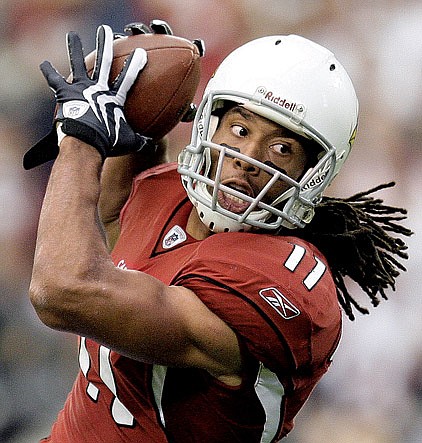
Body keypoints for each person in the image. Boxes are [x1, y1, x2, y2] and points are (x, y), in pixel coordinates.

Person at [24, 20, 411, 442]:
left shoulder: (280, 281)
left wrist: (80, 137)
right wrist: (142, 93)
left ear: (314, 173)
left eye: (282, 148)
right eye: (240, 129)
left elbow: (61, 291)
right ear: (209, 121)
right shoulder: (168, 192)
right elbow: (117, 213)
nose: (247, 157)